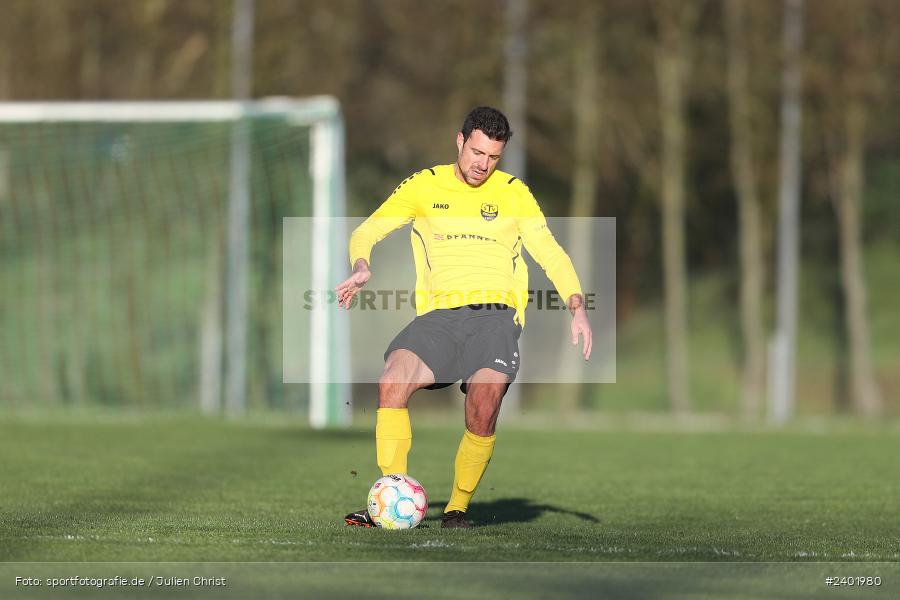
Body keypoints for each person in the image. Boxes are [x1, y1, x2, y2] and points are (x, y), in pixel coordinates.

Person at [335, 106, 592, 529]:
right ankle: (388, 494)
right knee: (391, 380)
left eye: (493, 157)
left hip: (495, 319)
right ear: (460, 140)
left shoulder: (513, 193)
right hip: (439, 319)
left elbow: (550, 252)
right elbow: (367, 230)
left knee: (484, 406)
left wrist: (577, 307)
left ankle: (456, 508)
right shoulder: (424, 185)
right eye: (476, 152)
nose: (482, 165)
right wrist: (362, 265)